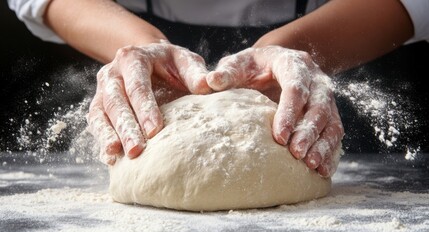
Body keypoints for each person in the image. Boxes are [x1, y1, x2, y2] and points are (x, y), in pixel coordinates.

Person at [8, 0, 429, 177]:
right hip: (127, 26)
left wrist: (290, 52)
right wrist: (137, 46)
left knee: (303, 139)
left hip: (340, 31)